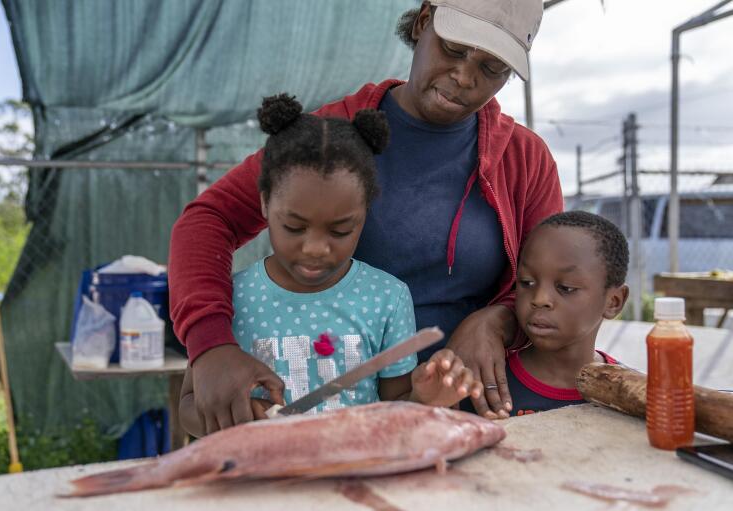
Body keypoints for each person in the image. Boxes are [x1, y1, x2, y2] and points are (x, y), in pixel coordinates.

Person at [169, 0, 563, 431]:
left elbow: (553, 283)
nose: (465, 77)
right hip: (349, 413)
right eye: (453, 49)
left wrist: (496, 319)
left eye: (492, 68)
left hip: (478, 408)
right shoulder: (329, 140)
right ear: (423, 22)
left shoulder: (525, 159)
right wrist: (210, 345)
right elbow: (207, 220)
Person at [179, 94, 482, 437]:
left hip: (354, 476)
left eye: (340, 230)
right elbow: (189, 406)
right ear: (264, 203)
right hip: (262, 483)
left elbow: (397, 409)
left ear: (365, 212)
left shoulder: (387, 298)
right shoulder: (231, 298)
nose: (315, 248)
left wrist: (427, 400)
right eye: (294, 227)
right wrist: (235, 417)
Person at [487, 211, 629, 417]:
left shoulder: (632, 394)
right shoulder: (488, 390)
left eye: (565, 287)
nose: (539, 298)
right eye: (527, 282)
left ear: (613, 302)